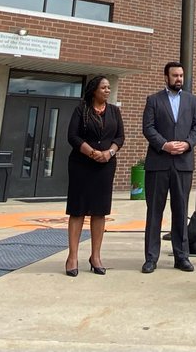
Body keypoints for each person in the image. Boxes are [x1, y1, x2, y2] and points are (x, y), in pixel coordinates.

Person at [141, 61, 196, 273]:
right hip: (158, 163)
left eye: (181, 76)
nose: (179, 79)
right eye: (175, 75)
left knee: (181, 211)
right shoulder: (153, 100)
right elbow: (148, 128)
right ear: (166, 77)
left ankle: (181, 257)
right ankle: (151, 258)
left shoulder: (192, 101)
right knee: (154, 212)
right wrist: (164, 145)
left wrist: (187, 144)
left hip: (183, 163)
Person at [64, 75, 125, 276]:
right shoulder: (81, 110)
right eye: (104, 87)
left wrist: (109, 153)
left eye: (109, 88)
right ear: (94, 91)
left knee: (100, 211)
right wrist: (91, 152)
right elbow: (72, 136)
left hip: (105, 166)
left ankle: (95, 256)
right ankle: (72, 257)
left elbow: (120, 137)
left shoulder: (114, 111)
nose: (108, 91)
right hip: (81, 165)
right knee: (78, 210)